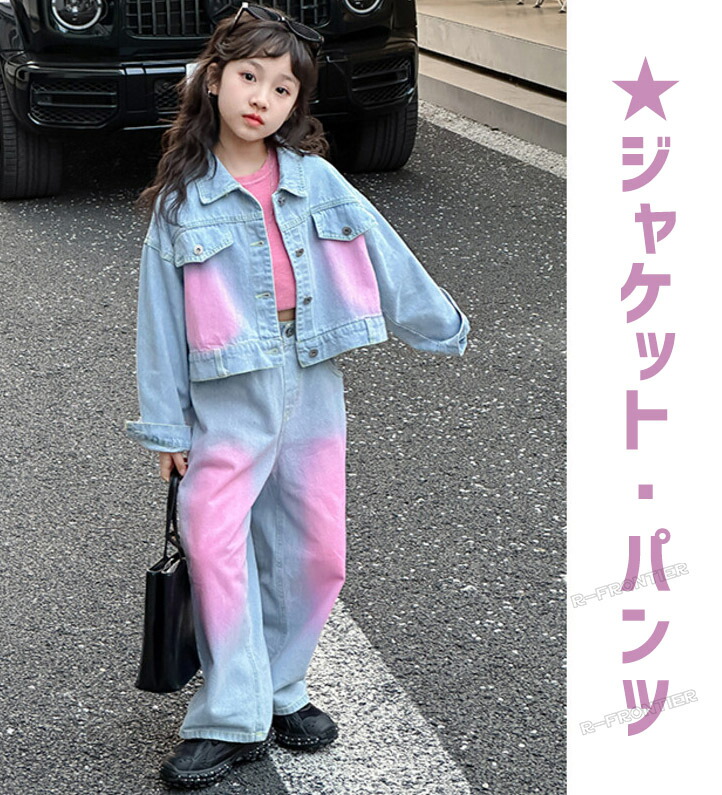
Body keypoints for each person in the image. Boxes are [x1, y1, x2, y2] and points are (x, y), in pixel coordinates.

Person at [125, 2, 470, 788]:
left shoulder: (315, 180)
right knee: (214, 544)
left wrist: (440, 322)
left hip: (310, 375)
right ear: (213, 79)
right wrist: (168, 426)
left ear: (296, 104)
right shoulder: (182, 201)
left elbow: (384, 250)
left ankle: (281, 688)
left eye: (283, 89)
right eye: (249, 77)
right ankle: (229, 715)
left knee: (316, 550)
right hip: (226, 392)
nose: (262, 98)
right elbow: (159, 318)